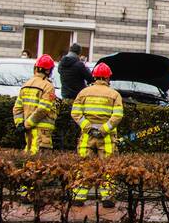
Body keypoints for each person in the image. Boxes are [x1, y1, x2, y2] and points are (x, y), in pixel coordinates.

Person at [71, 62, 124, 207]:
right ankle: (107, 199)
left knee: (85, 166)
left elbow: (75, 113)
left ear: (94, 77)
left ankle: (78, 197)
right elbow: (117, 116)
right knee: (108, 167)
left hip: (87, 137)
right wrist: (103, 130)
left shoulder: (83, 93)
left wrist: (89, 128)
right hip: (106, 138)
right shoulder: (114, 94)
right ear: (108, 78)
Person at [13, 54, 58, 156]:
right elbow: (43, 108)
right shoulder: (48, 86)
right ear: (48, 71)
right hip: (42, 132)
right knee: (39, 163)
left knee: (27, 159)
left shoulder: (26, 84)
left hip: (27, 132)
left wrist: (20, 124)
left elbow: (17, 108)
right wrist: (27, 124)